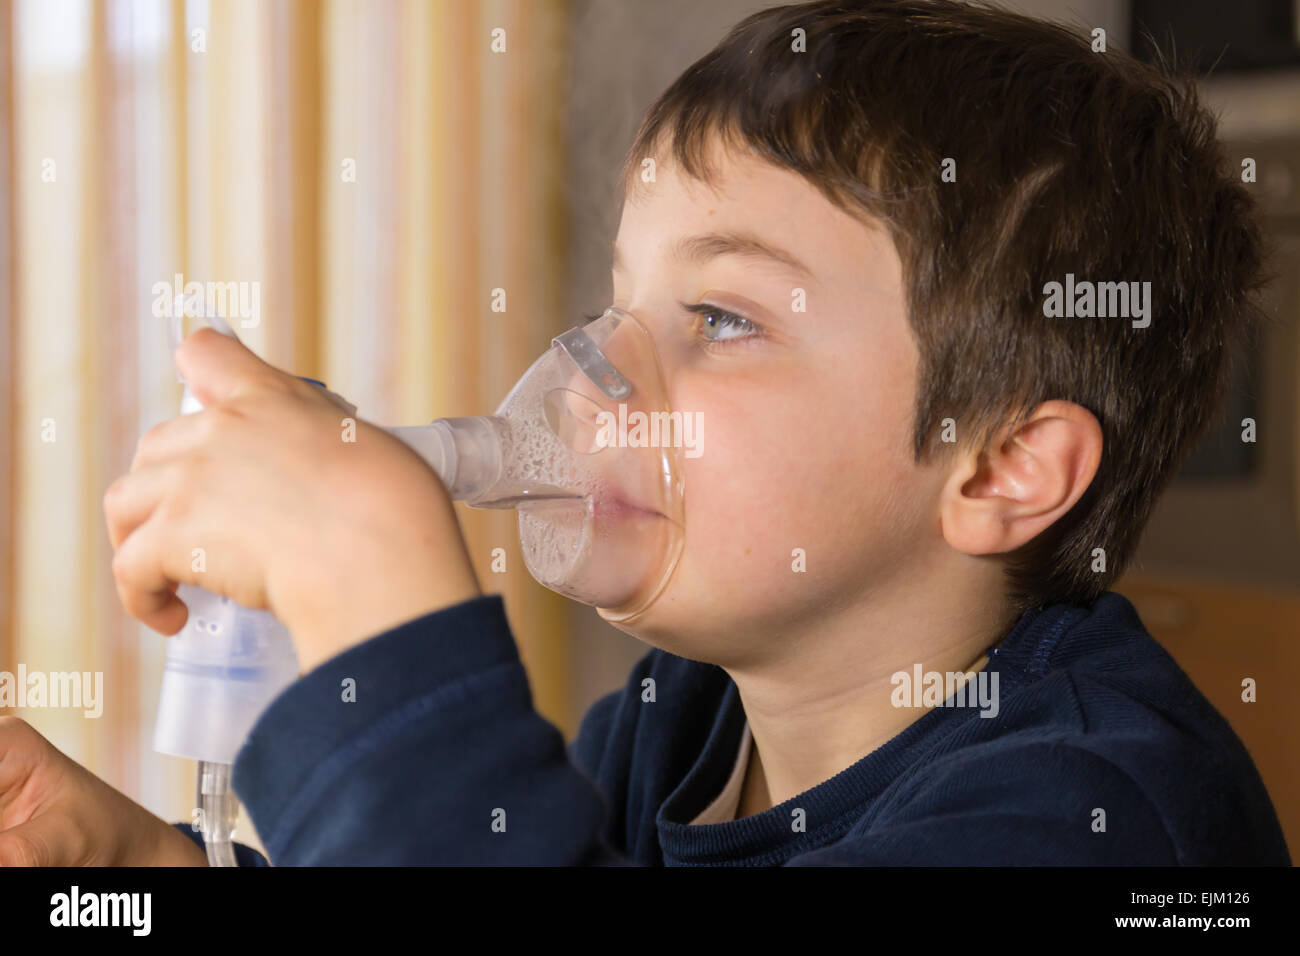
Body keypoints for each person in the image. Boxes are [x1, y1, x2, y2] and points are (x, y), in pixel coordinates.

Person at [1, 0, 1289, 866]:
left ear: (1000, 466)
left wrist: (374, 582)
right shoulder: (677, 722)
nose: (594, 376)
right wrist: (137, 864)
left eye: (722, 316)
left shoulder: (1090, 815)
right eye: (618, 303)